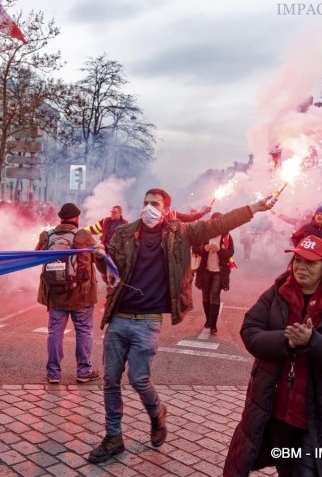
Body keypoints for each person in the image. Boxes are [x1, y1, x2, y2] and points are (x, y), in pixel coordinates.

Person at [87, 188, 274, 464]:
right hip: (119, 317)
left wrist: (254, 208)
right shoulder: (124, 233)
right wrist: (100, 258)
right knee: (111, 380)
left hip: (148, 321)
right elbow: (109, 269)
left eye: (155, 204)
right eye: (146, 202)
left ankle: (157, 413)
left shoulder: (180, 233)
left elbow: (218, 224)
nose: (149, 207)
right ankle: (113, 436)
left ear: (165, 209)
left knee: (139, 378)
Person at [224, 235, 322, 477]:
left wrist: (313, 342)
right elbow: (250, 330)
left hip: (317, 418)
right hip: (274, 411)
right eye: (297, 260)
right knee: (283, 467)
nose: (301, 267)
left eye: (310, 263)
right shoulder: (278, 292)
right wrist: (286, 340)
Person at [36, 203, 100, 384]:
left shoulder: (46, 236)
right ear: (77, 218)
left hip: (55, 294)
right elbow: (96, 258)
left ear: (61, 217)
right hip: (81, 295)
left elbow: (36, 256)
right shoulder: (83, 235)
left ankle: (53, 373)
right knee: (84, 332)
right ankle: (83, 371)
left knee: (55, 332)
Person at [192, 212, 235, 333]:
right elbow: (194, 248)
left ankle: (213, 325)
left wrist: (220, 250)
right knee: (205, 296)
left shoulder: (226, 236)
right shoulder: (204, 234)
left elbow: (230, 253)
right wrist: (204, 248)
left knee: (214, 295)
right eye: (214, 222)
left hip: (219, 272)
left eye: (219, 222)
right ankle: (208, 320)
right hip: (205, 270)